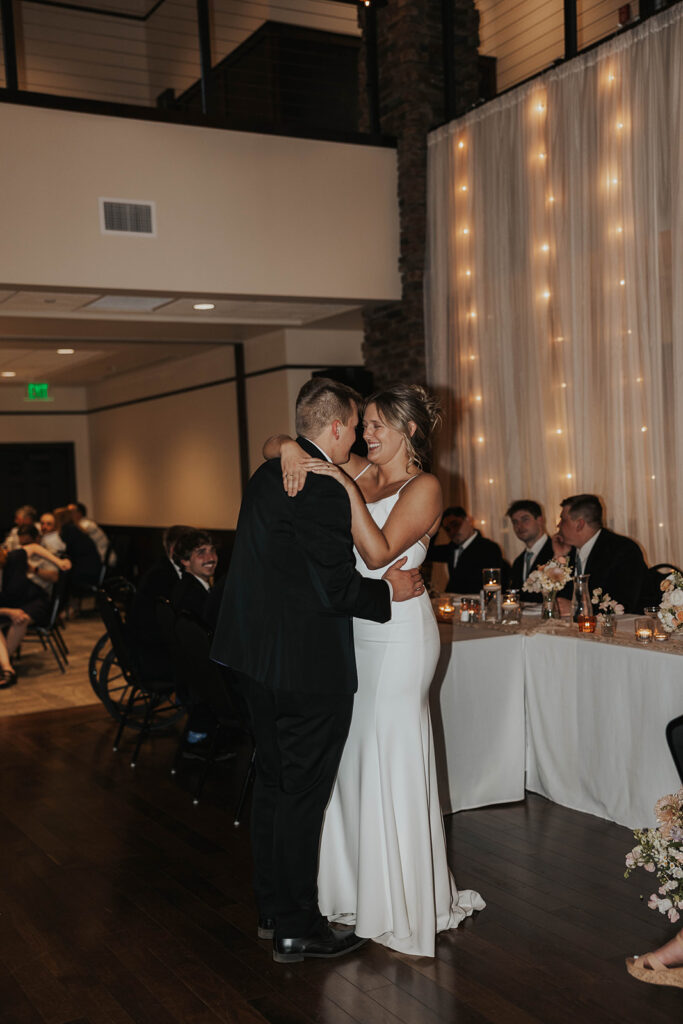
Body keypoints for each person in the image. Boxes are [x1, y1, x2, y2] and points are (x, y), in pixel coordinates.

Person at [211, 377, 423, 964]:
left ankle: (272, 909)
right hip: (307, 670)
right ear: (334, 428)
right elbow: (332, 588)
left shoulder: (268, 474)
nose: (358, 434)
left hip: (255, 661)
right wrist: (392, 594)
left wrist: (282, 444)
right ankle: (298, 928)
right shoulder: (324, 490)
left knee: (275, 787)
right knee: (301, 797)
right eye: (355, 425)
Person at [270, 383, 485, 957]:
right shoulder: (363, 473)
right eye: (363, 423)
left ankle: (403, 899)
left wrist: (339, 482)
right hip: (355, 630)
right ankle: (357, 891)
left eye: (377, 424)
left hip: (399, 638)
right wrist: (292, 450)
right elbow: (275, 446)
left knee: (389, 752)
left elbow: (377, 553)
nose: (366, 433)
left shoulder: (426, 486)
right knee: (353, 757)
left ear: (409, 430)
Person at [553, 493, 647, 614]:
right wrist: (558, 556)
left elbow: (623, 604)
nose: (558, 525)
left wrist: (577, 608)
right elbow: (553, 596)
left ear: (579, 524)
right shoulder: (569, 551)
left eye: (563, 520)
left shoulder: (623, 550)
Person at [428, 506, 508, 594]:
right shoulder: (451, 548)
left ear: (468, 520)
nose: (452, 531)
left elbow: (492, 586)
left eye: (456, 524)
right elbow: (427, 553)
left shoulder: (489, 548)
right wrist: (435, 527)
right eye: (447, 529)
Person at [506, 499, 553, 602]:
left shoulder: (556, 553)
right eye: (515, 522)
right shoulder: (518, 561)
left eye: (525, 519)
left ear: (540, 520)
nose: (519, 526)